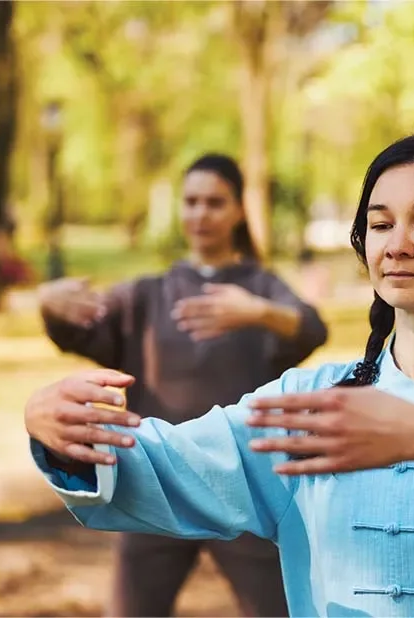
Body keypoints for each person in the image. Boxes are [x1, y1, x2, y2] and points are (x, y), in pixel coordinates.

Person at [27, 120, 414, 617]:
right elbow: (176, 467)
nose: (398, 245)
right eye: (381, 224)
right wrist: (66, 434)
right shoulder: (309, 400)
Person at [36, 153, 328, 618]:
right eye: (191, 202)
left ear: (237, 211)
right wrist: (49, 303)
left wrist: (260, 313)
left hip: (245, 485)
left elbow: (313, 328)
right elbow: (77, 328)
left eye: (215, 202)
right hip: (156, 479)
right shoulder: (148, 294)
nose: (200, 214)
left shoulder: (259, 287)